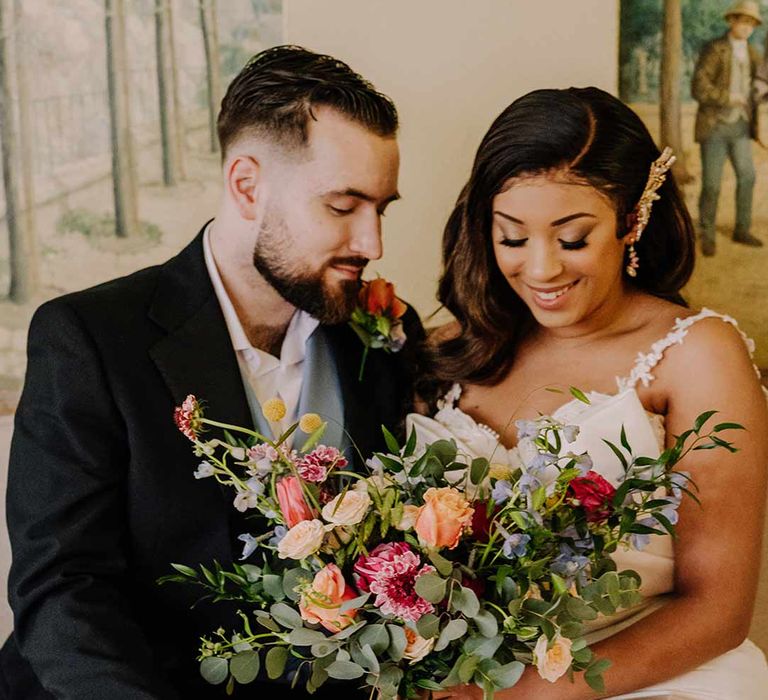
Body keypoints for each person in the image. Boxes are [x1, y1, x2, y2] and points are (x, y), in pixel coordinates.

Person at [0, 46, 422, 699]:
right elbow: (64, 590)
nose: (372, 244)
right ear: (247, 185)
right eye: (344, 207)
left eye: (381, 209)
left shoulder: (384, 335)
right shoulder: (89, 337)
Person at [412, 87, 768, 699]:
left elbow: (717, 611)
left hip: (646, 681)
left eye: (572, 238)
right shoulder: (447, 352)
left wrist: (513, 696)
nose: (543, 269)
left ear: (632, 219)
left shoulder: (698, 355)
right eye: (513, 239)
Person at [692, 0, 763, 257]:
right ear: (731, 21)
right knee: (712, 184)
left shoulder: (755, 54)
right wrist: (727, 97)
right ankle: (707, 233)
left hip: (741, 126)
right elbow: (698, 87)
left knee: (748, 176)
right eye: (742, 21)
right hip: (714, 126)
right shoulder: (715, 48)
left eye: (751, 24)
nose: (746, 28)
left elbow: (759, 89)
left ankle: (741, 229)